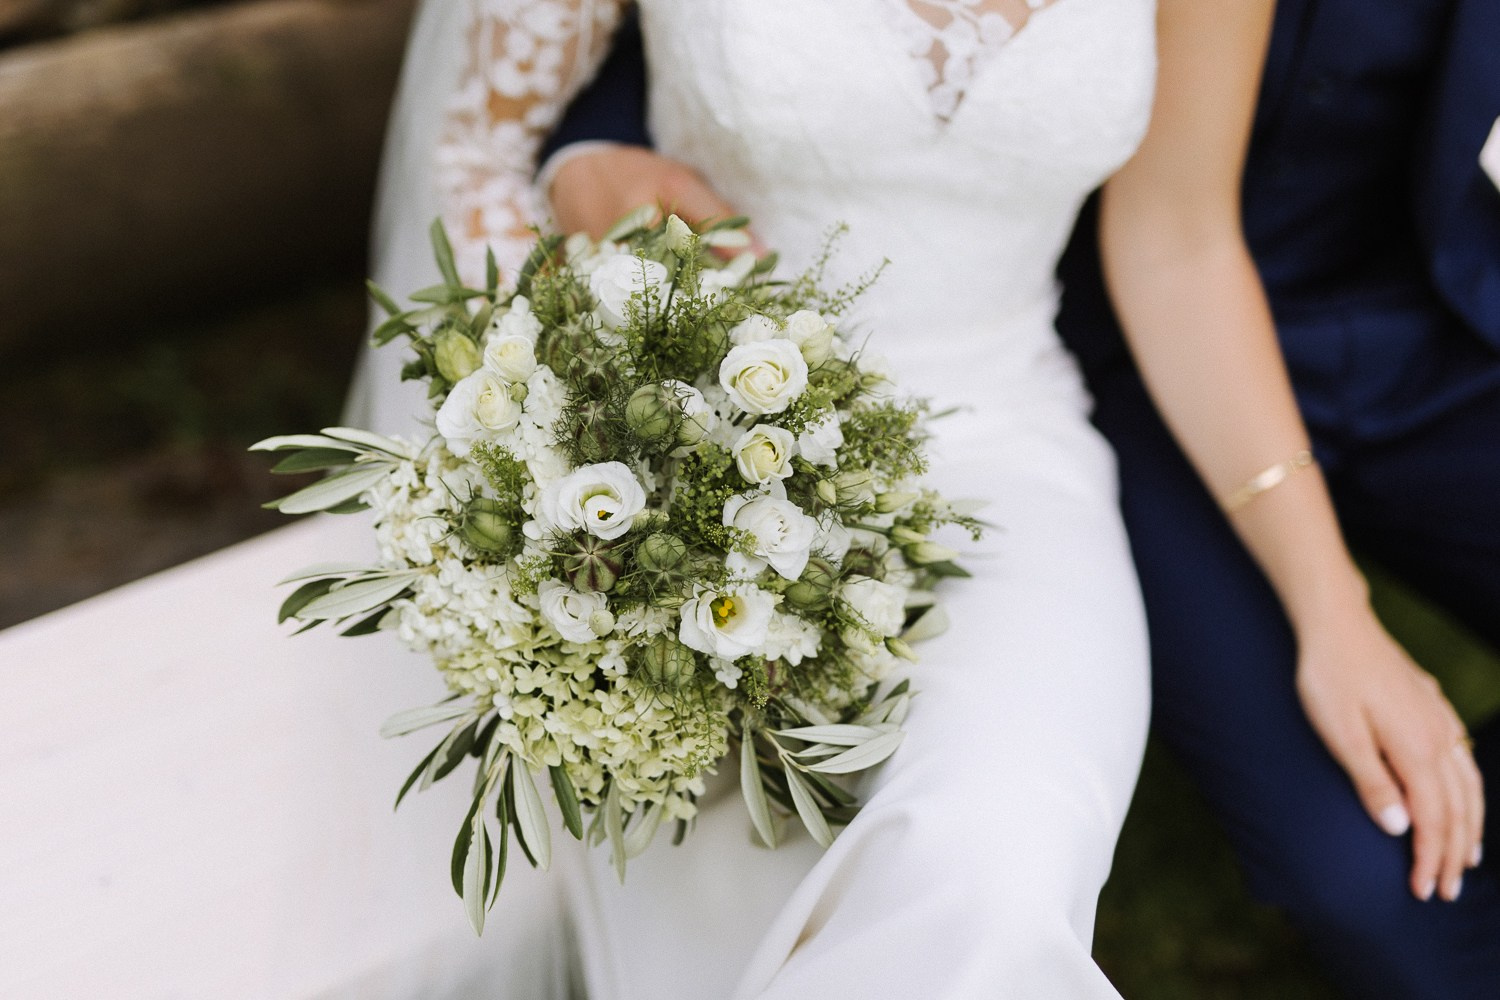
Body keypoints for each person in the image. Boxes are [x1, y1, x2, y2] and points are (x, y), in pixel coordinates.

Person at [348, 1, 1485, 996]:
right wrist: (561, 412)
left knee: (996, 871)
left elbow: (1179, 242)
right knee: (749, 901)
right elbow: (477, 160)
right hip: (673, 454)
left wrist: (1331, 610)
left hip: (1007, 452)